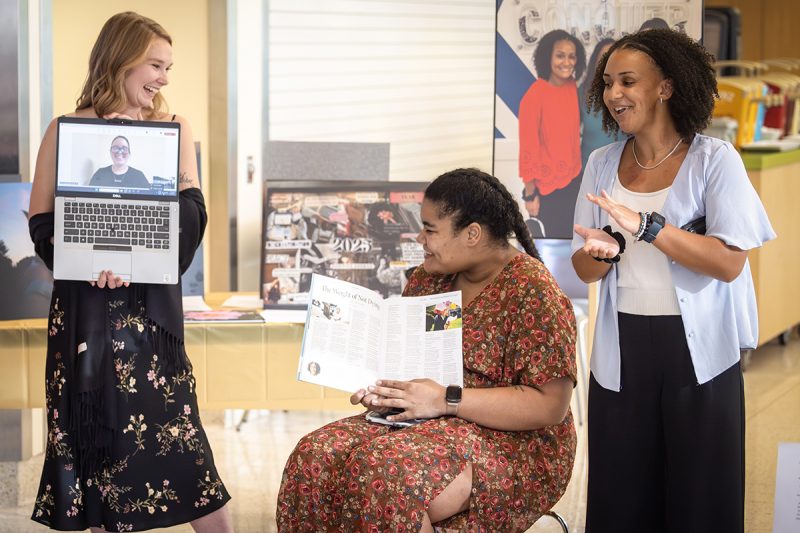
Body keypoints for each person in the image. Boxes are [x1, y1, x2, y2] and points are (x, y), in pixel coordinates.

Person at [277, 168, 578, 531]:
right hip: (427, 422)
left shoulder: (534, 291)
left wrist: (444, 400)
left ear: (472, 234)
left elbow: (550, 406)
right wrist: (390, 393)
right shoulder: (429, 279)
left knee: (386, 474)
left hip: (514, 442)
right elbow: (411, 365)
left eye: (430, 229)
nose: (420, 238)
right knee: (314, 457)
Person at [27, 12, 232, 533]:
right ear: (120, 60)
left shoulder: (173, 129)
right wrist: (88, 261)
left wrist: (136, 259)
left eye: (168, 67)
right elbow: (42, 219)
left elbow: (192, 213)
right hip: (86, 311)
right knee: (93, 438)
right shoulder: (65, 129)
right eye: (156, 65)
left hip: (148, 317)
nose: (164, 77)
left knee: (179, 436)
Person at [571, 29, 775, 532]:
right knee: (622, 494)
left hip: (699, 352)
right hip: (624, 349)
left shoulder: (714, 159)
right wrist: (605, 253)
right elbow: (582, 267)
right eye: (608, 83)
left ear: (664, 87)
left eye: (628, 81)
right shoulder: (600, 164)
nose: (615, 94)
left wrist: (647, 227)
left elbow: (729, 261)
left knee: (701, 496)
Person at [518, 29, 586, 239]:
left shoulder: (571, 87)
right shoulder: (534, 96)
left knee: (575, 241)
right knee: (554, 247)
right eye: (560, 55)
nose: (566, 62)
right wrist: (530, 196)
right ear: (548, 57)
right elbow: (528, 150)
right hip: (549, 190)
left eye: (571, 56)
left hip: (576, 180)